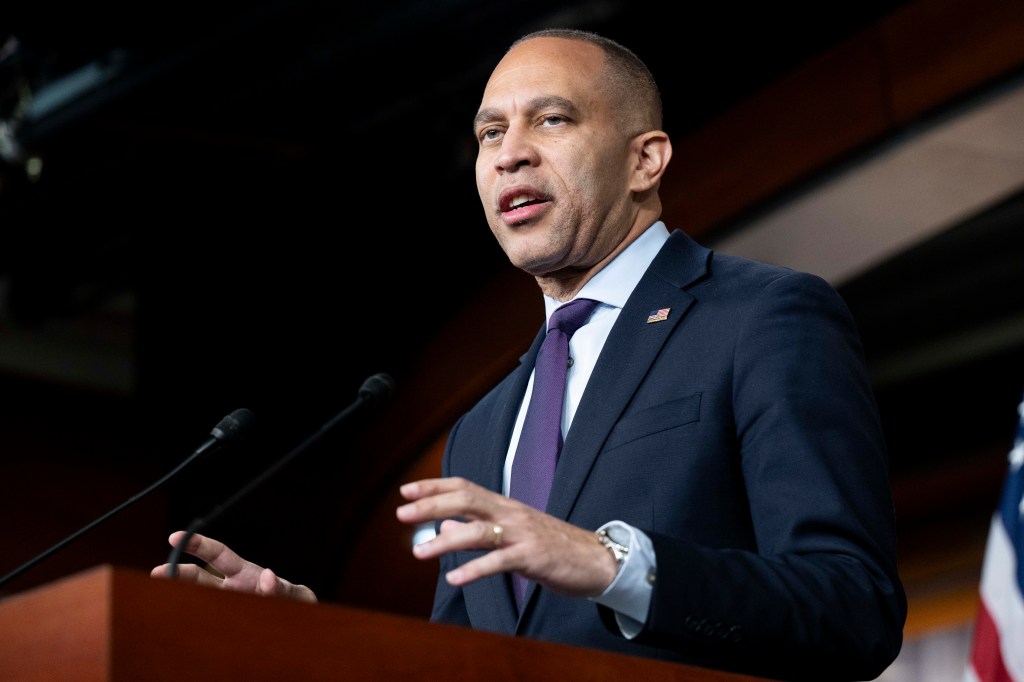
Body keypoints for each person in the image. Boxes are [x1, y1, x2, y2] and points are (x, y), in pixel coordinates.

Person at [153, 28, 907, 681]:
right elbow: (466, 661)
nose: (510, 155)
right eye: (489, 133)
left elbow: (852, 608)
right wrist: (312, 629)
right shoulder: (481, 430)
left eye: (551, 120)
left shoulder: (762, 318)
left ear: (646, 160)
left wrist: (614, 567)